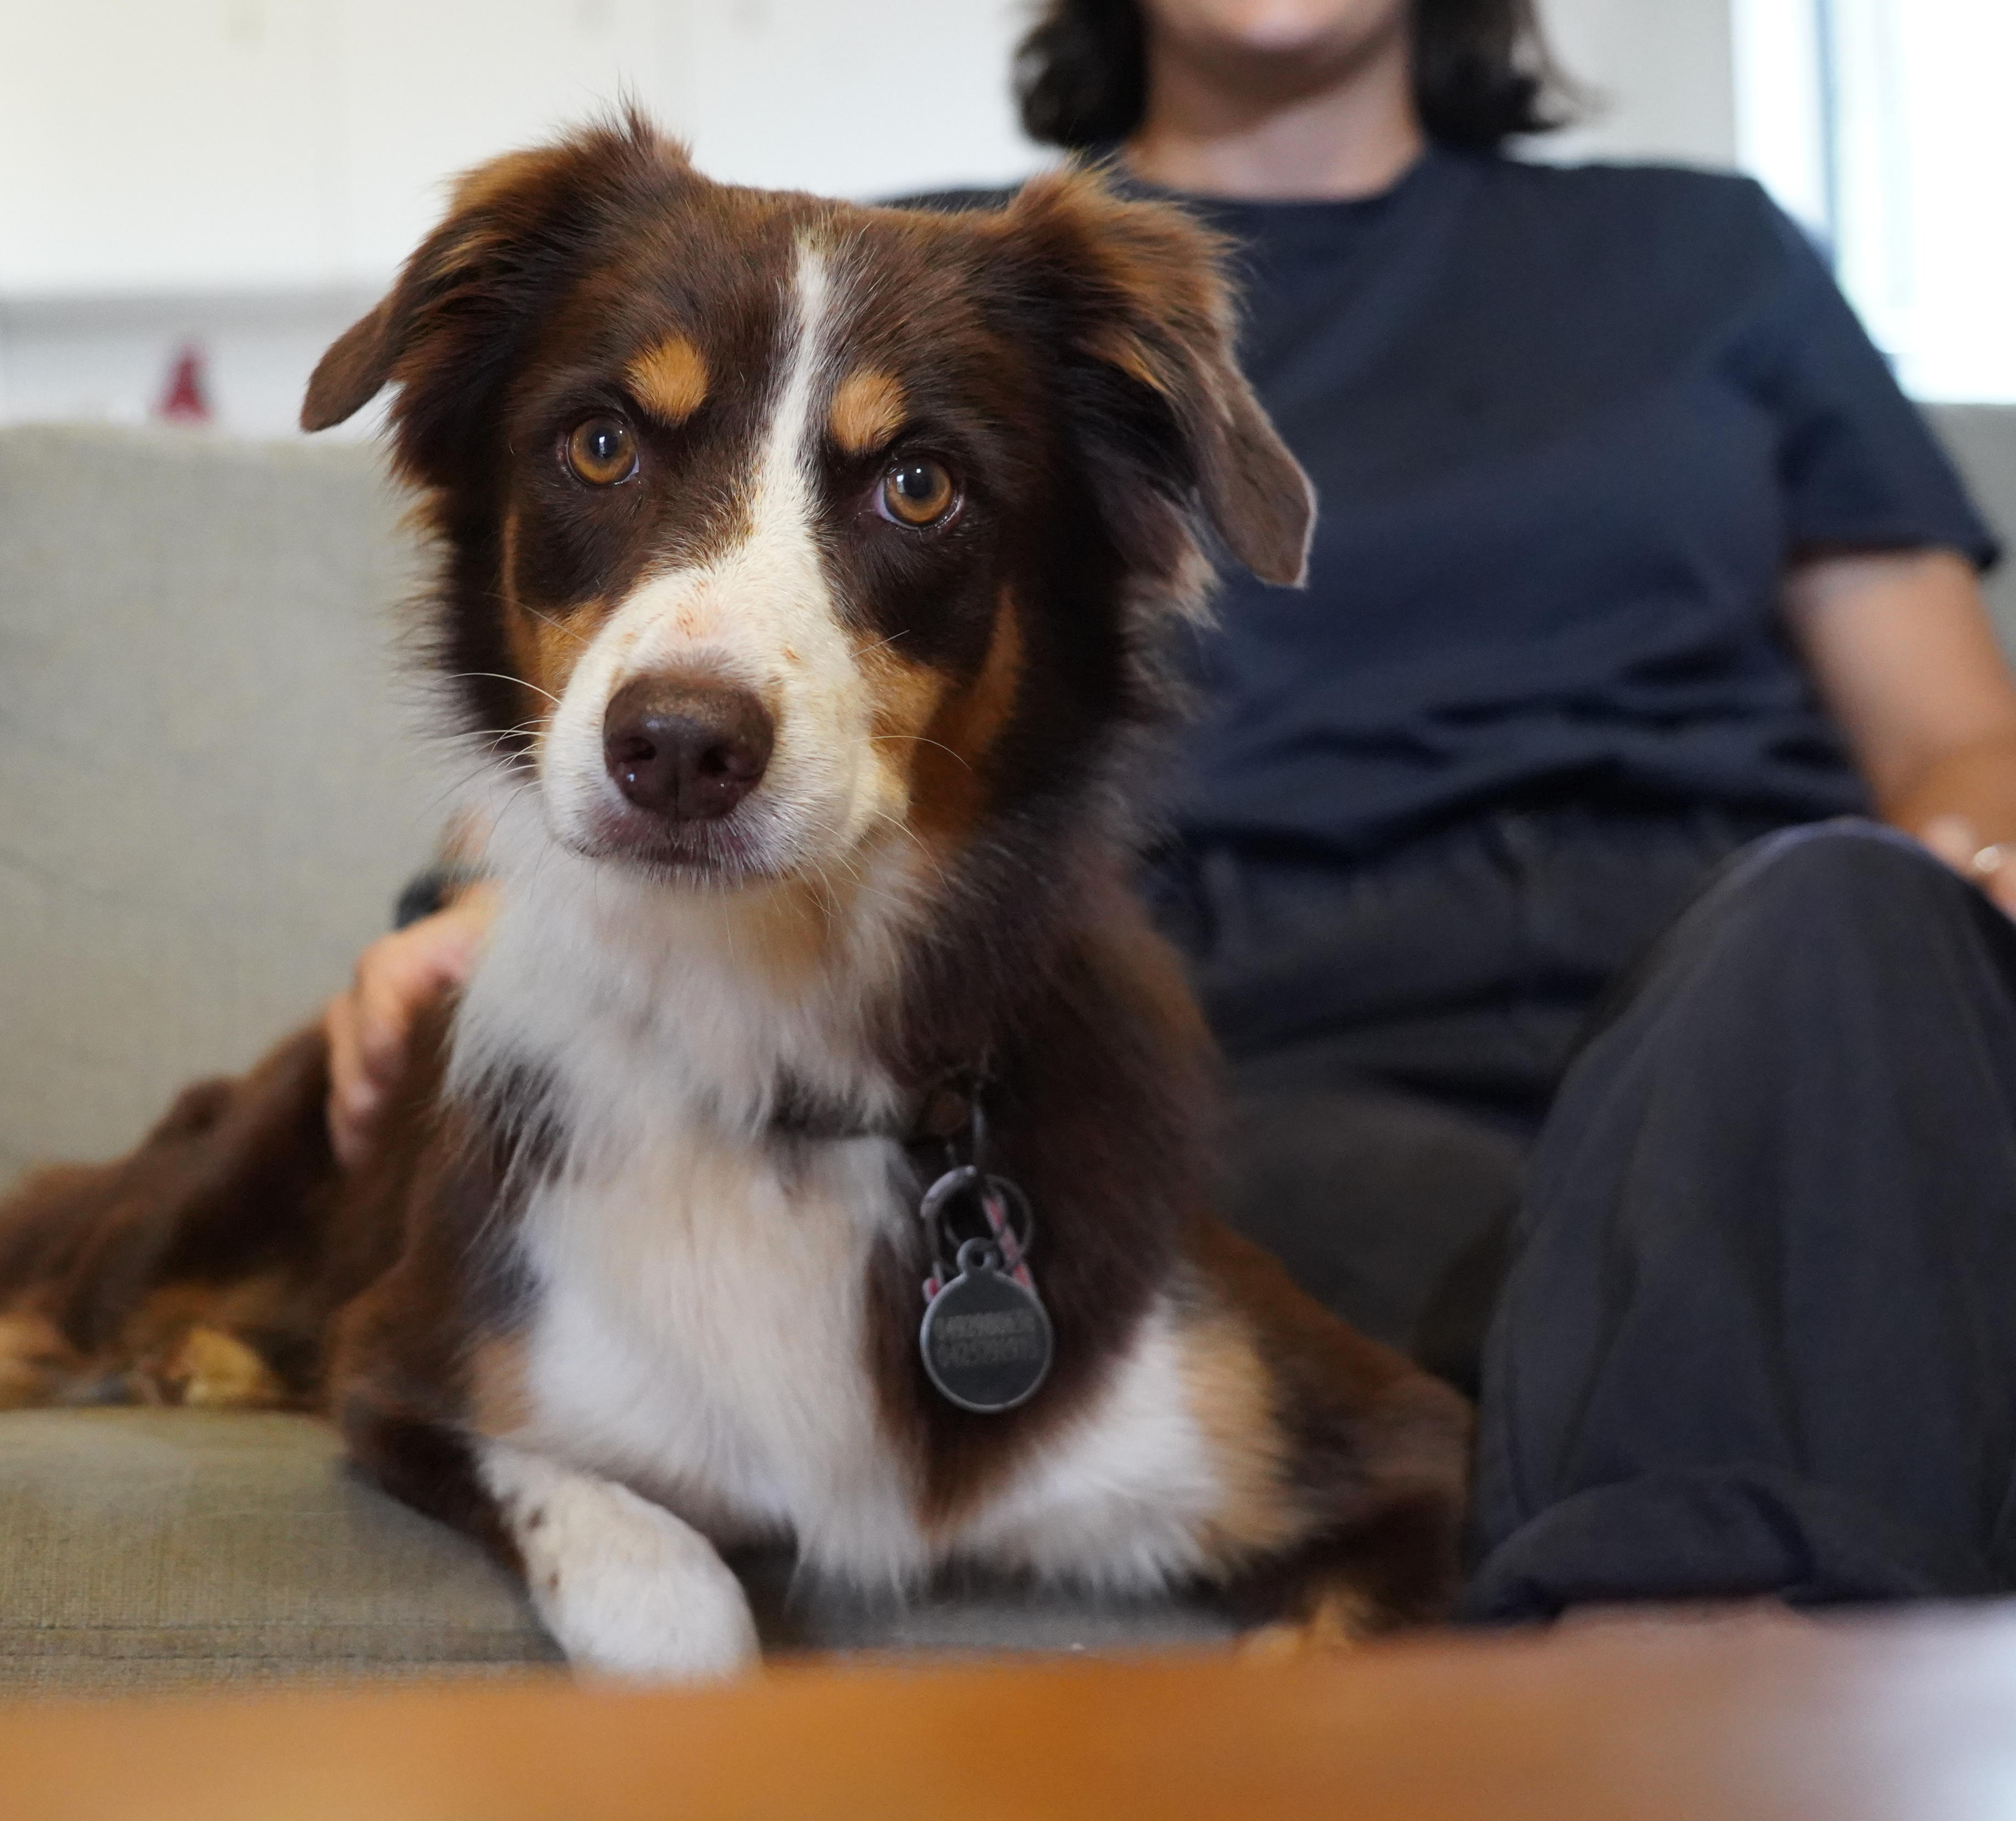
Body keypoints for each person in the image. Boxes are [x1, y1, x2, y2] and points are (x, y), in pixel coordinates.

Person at [327, 0, 2014, 1620]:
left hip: (1742, 1030)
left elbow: (1953, 740)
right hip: (1267, 1074)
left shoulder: (1714, 260)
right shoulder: (940, 289)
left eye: (914, 481)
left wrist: (1980, 855)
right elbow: (695, 659)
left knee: (1846, 917)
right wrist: (481, 907)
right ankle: (1697, 1693)